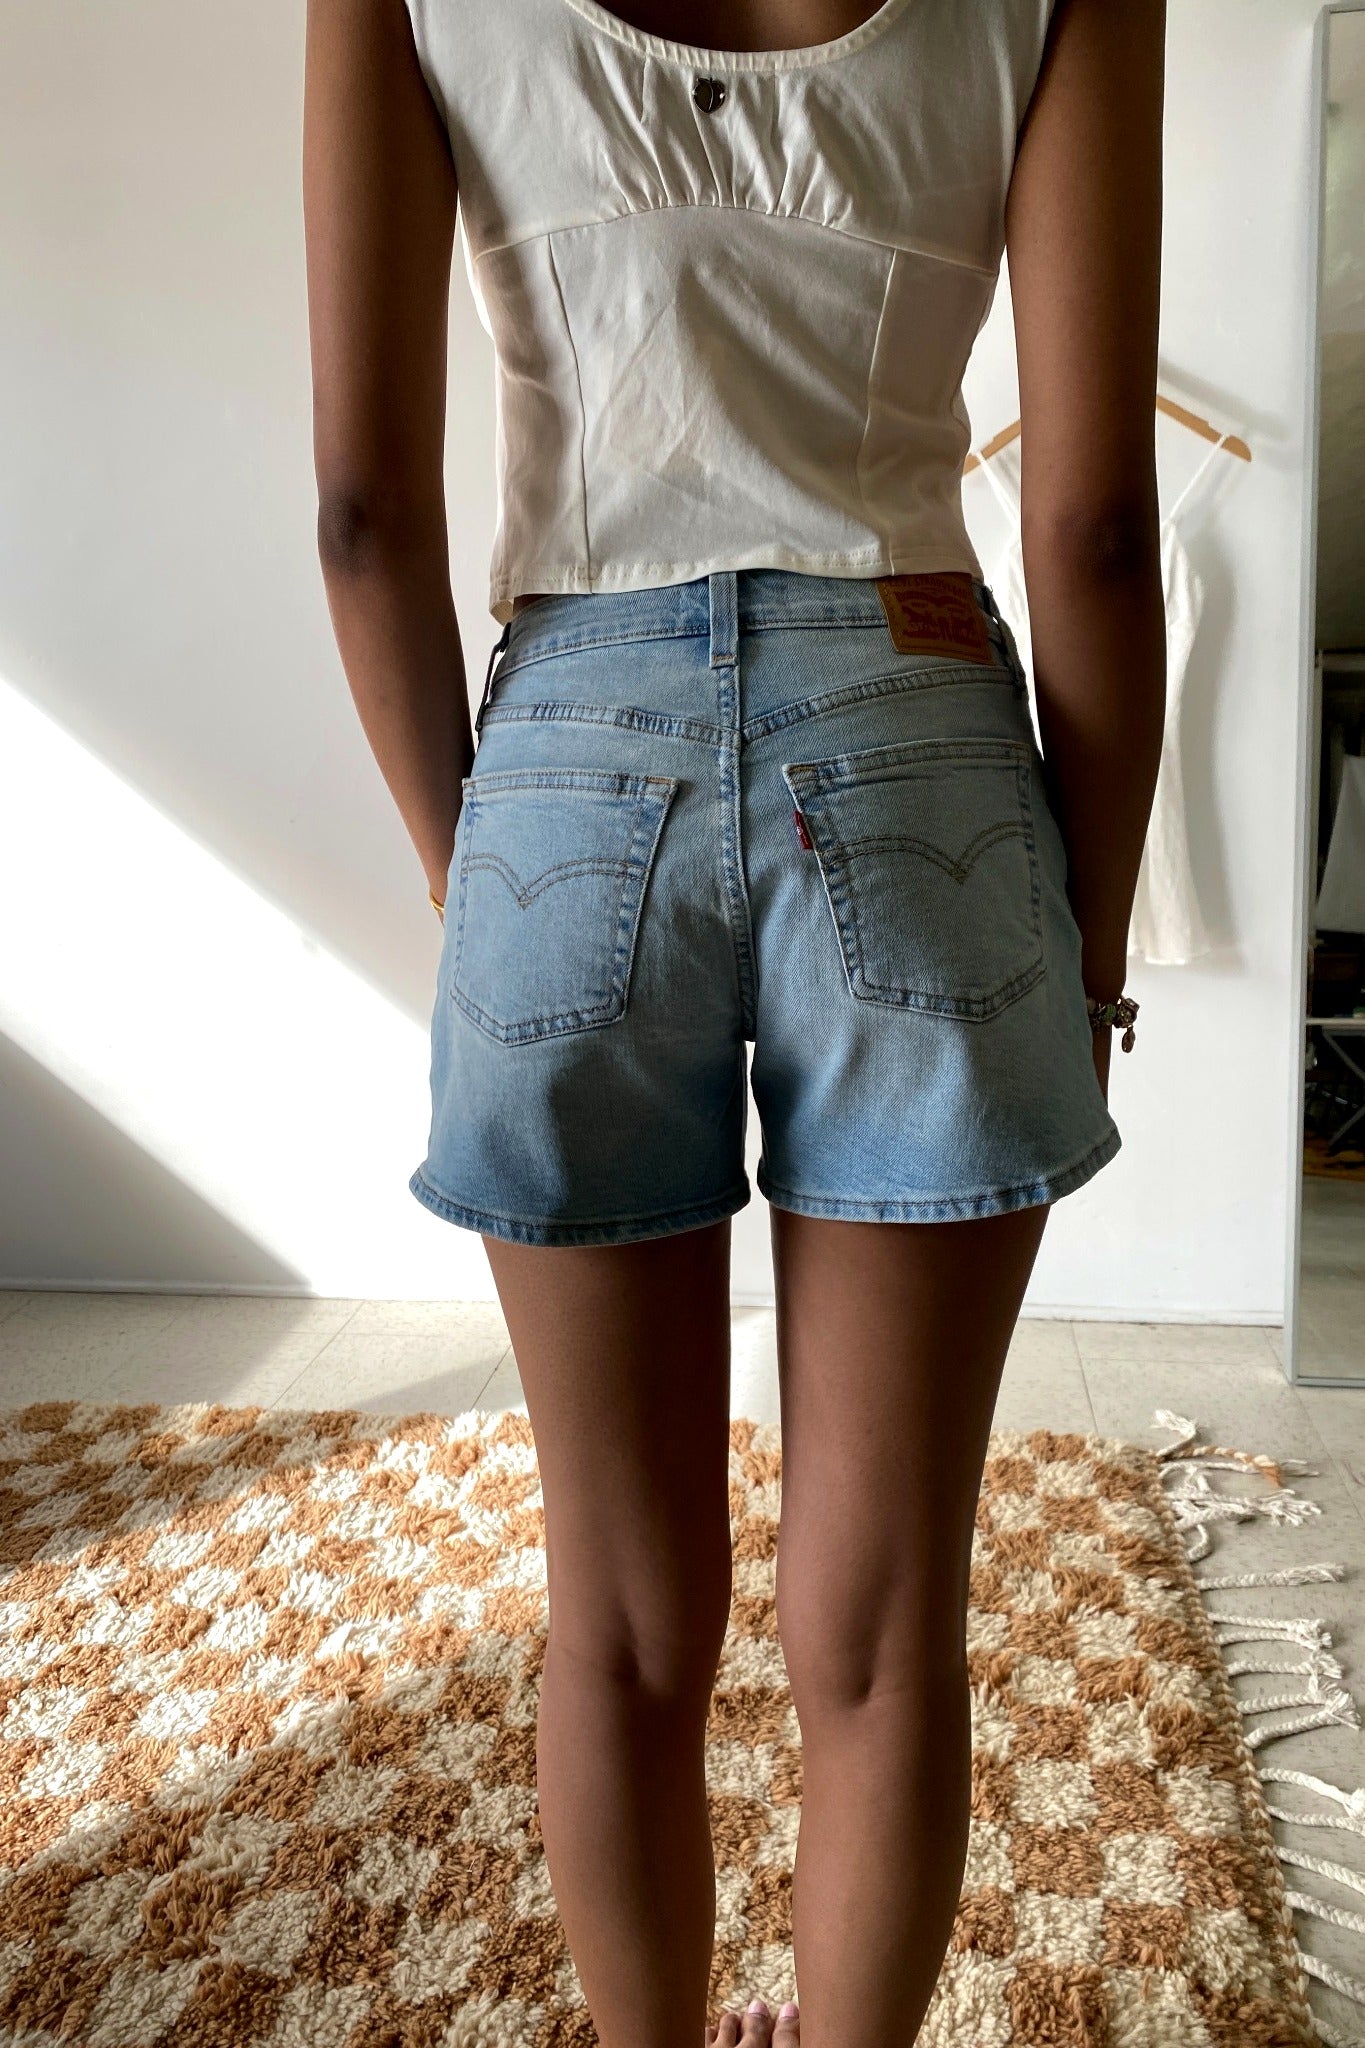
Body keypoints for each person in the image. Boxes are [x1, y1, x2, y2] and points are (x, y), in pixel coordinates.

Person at [301, 0, 1166, 2041]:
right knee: (880, 1625)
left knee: (612, 1620)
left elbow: (361, 512)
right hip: (914, 712)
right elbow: (1092, 531)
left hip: (564, 754)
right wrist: (1086, 949)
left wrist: (469, 872)